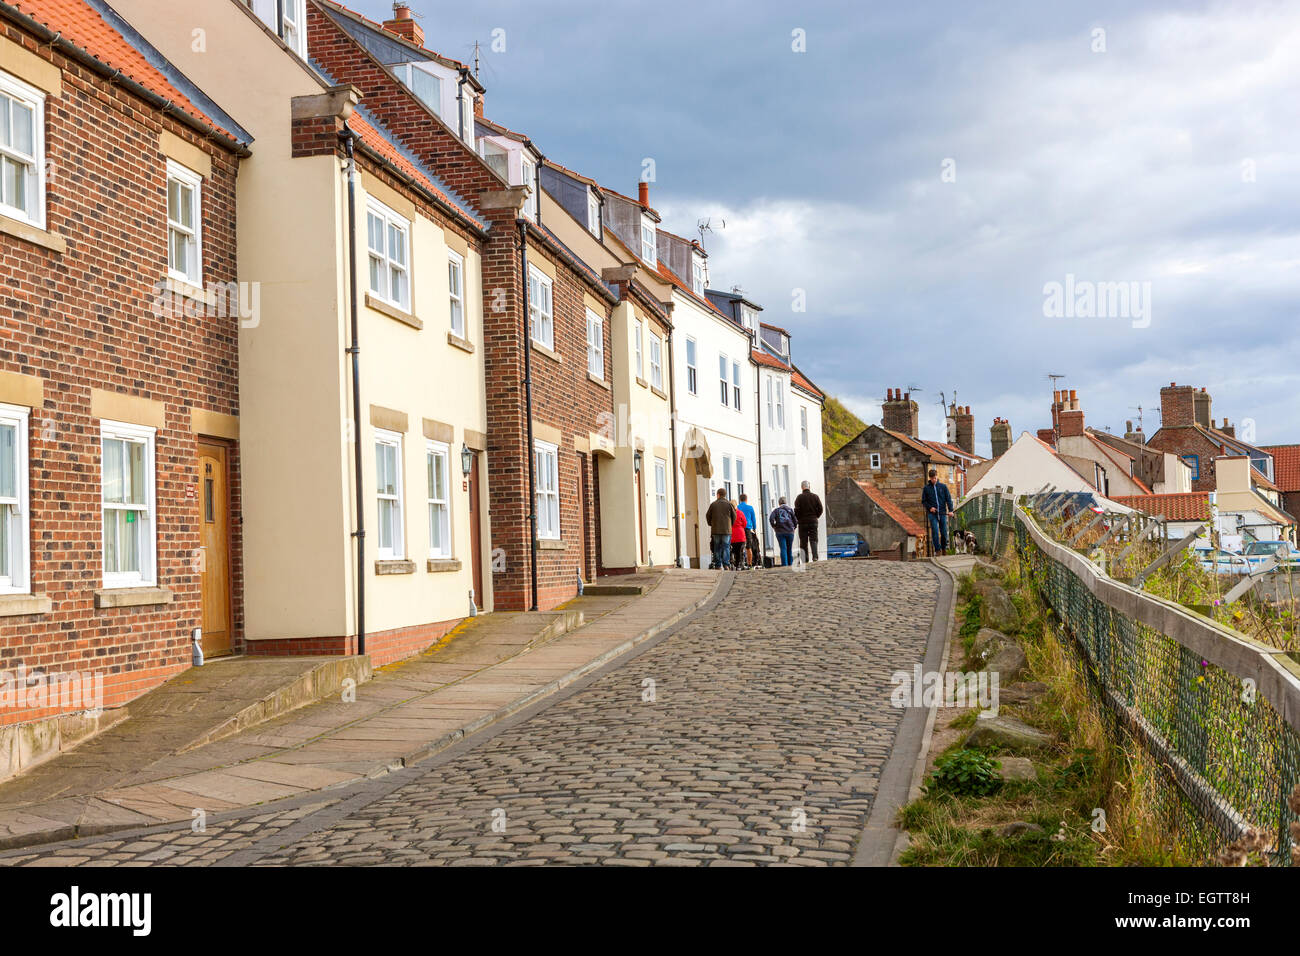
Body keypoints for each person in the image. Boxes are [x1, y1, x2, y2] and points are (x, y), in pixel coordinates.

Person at [922, 468, 955, 554]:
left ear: (937, 477)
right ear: (930, 478)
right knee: (935, 531)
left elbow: (948, 499)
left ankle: (944, 548)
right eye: (932, 478)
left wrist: (951, 510)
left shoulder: (943, 487)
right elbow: (924, 501)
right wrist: (930, 508)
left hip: (943, 513)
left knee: (944, 532)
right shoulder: (926, 488)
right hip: (932, 514)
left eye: (935, 478)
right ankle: (938, 550)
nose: (934, 480)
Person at [705, 487, 736, 570]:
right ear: (725, 495)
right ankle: (726, 564)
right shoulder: (729, 505)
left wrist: (711, 524)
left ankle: (718, 565)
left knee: (717, 547)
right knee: (726, 547)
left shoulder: (713, 504)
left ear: (718, 495)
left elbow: (708, 516)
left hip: (716, 530)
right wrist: (730, 525)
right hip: (726, 530)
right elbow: (734, 516)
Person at [794, 480, 824, 562]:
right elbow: (820, 508)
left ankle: (805, 559)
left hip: (802, 522)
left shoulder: (799, 498)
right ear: (809, 487)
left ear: (802, 487)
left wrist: (799, 518)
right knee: (813, 539)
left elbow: (796, 510)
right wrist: (816, 516)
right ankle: (815, 556)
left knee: (803, 541)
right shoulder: (815, 497)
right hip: (813, 521)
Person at [769, 495, 798, 566]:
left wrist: (774, 526)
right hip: (790, 531)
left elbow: (771, 519)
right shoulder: (790, 510)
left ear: (779, 503)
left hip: (780, 531)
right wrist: (794, 527)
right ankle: (790, 564)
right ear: (786, 502)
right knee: (789, 548)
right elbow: (795, 520)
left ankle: (784, 564)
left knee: (783, 548)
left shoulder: (776, 510)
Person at [737, 493, 760, 569]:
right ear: (746, 499)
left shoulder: (737, 507)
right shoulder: (750, 508)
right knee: (749, 547)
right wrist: (754, 527)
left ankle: (740, 563)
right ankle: (749, 564)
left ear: (740, 500)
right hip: (747, 529)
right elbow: (753, 519)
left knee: (740, 546)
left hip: (740, 529)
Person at [730, 499, 749, 569]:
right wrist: (741, 527)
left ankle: (735, 564)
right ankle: (739, 565)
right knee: (740, 551)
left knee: (734, 551)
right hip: (740, 534)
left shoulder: (729, 514)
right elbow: (745, 523)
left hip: (732, 534)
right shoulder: (740, 513)